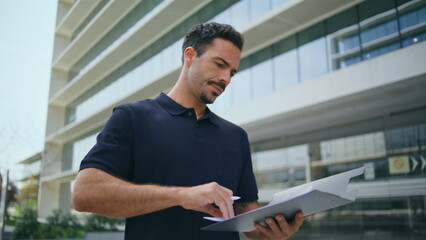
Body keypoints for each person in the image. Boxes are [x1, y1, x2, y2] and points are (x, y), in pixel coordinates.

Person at [72, 22, 306, 240]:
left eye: (232, 72)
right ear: (190, 56)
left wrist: (273, 229)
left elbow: (246, 215)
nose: (225, 78)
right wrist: (182, 196)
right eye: (219, 64)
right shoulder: (133, 117)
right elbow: (84, 194)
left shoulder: (236, 136)